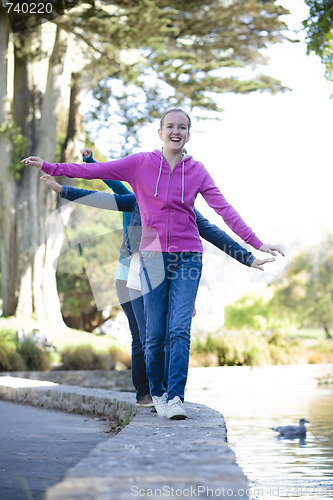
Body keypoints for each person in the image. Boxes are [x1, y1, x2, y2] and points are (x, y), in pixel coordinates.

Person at [23, 107, 284, 420]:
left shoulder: (197, 171)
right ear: (160, 132)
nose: (176, 132)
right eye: (170, 126)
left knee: (179, 331)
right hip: (150, 259)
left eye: (183, 127)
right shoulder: (140, 165)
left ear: (188, 134)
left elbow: (223, 213)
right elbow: (99, 175)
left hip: (188, 257)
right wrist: (53, 168)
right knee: (152, 335)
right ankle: (153, 392)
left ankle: (175, 398)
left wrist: (254, 246)